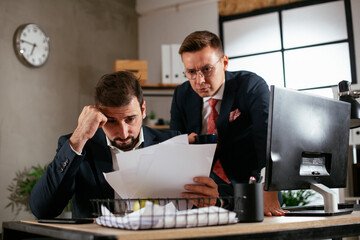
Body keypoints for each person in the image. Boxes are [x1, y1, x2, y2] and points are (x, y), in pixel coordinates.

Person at [30, 71, 219, 219]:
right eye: (111, 121)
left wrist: (211, 199)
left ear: (143, 109)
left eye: (130, 119)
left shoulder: (172, 141)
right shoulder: (79, 146)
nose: (123, 132)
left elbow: (209, 200)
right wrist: (79, 136)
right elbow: (43, 209)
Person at [170, 30, 287, 216]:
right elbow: (174, 143)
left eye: (207, 69)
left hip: (251, 189)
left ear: (224, 63)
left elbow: (268, 140)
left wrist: (268, 188)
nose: (199, 80)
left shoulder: (251, 86)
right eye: (191, 72)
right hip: (204, 192)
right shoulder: (181, 95)